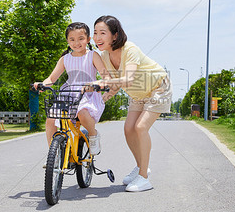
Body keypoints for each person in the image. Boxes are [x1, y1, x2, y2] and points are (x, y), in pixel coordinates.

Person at [92, 15, 172, 192]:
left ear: (115, 35)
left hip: (158, 87)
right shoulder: (104, 56)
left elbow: (127, 79)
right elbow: (114, 84)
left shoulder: (130, 49)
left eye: (102, 33)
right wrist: (100, 98)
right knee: (129, 128)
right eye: (95, 33)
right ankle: (140, 167)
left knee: (140, 127)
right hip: (138, 93)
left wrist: (102, 83)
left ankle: (144, 178)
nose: (97, 37)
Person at [34, 22, 111, 156]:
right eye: (72, 39)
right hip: (68, 94)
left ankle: (93, 135)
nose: (77, 43)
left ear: (88, 39)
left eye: (81, 38)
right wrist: (43, 84)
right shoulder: (65, 59)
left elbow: (106, 77)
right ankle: (54, 155)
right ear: (67, 41)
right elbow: (51, 79)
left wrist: (97, 84)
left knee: (82, 112)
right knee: (51, 119)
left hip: (88, 93)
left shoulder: (93, 55)